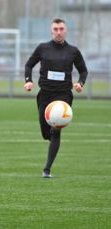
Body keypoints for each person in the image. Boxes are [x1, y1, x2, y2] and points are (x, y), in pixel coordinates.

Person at [24, 18, 88, 178]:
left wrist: (80, 83)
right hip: (45, 94)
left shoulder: (73, 51)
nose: (58, 32)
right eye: (56, 29)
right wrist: (28, 81)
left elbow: (83, 71)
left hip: (63, 96)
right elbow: (28, 65)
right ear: (51, 31)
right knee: (46, 132)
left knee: (56, 131)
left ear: (65, 31)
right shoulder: (43, 48)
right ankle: (49, 135)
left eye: (61, 29)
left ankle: (47, 169)